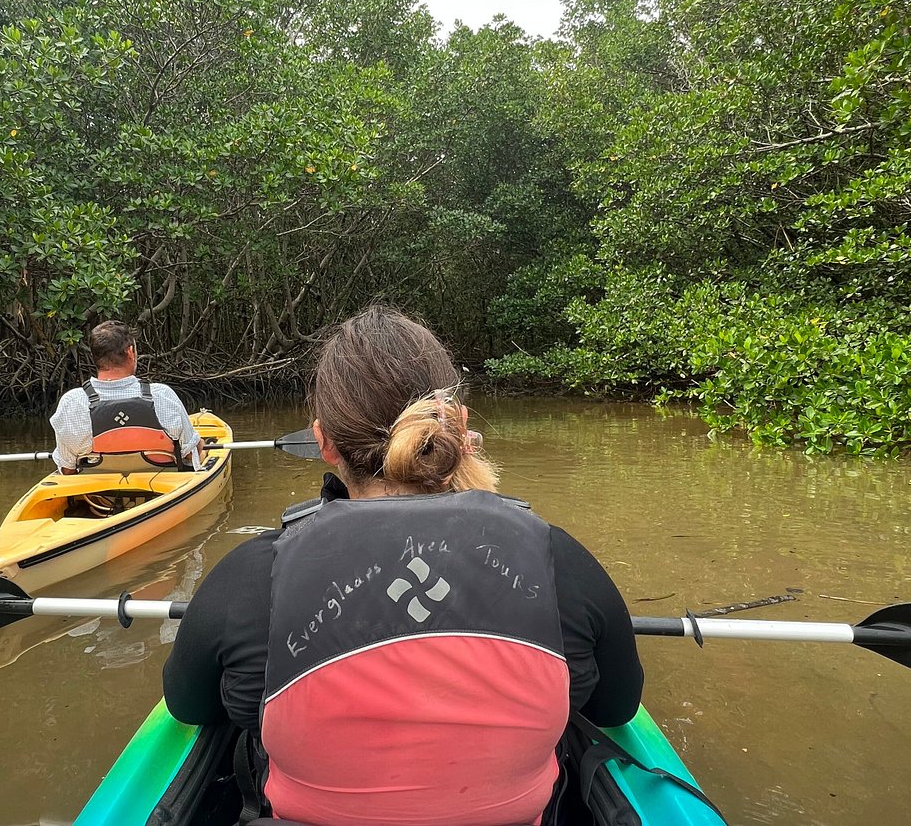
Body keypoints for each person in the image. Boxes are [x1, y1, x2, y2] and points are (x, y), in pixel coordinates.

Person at [162, 305, 643, 825]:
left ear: (323, 441)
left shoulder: (253, 576)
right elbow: (616, 708)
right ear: (459, 426)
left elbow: (188, 705)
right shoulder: (557, 560)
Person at [49, 320, 205, 475]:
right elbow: (191, 454)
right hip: (163, 487)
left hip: (100, 495)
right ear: (130, 352)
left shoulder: (72, 402)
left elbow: (67, 469)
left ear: (95, 356)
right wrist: (200, 445)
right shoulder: (162, 395)